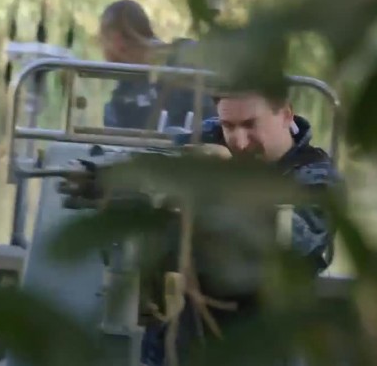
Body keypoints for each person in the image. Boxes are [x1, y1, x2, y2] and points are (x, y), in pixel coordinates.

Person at [140, 89, 341, 366]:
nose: (240, 141)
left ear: (285, 114)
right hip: (184, 337)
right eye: (229, 125)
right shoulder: (210, 139)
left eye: (250, 124)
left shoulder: (316, 178)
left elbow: (292, 241)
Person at [98, 0, 217, 130]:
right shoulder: (123, 93)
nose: (102, 49)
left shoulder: (187, 59)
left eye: (102, 41)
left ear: (117, 40)